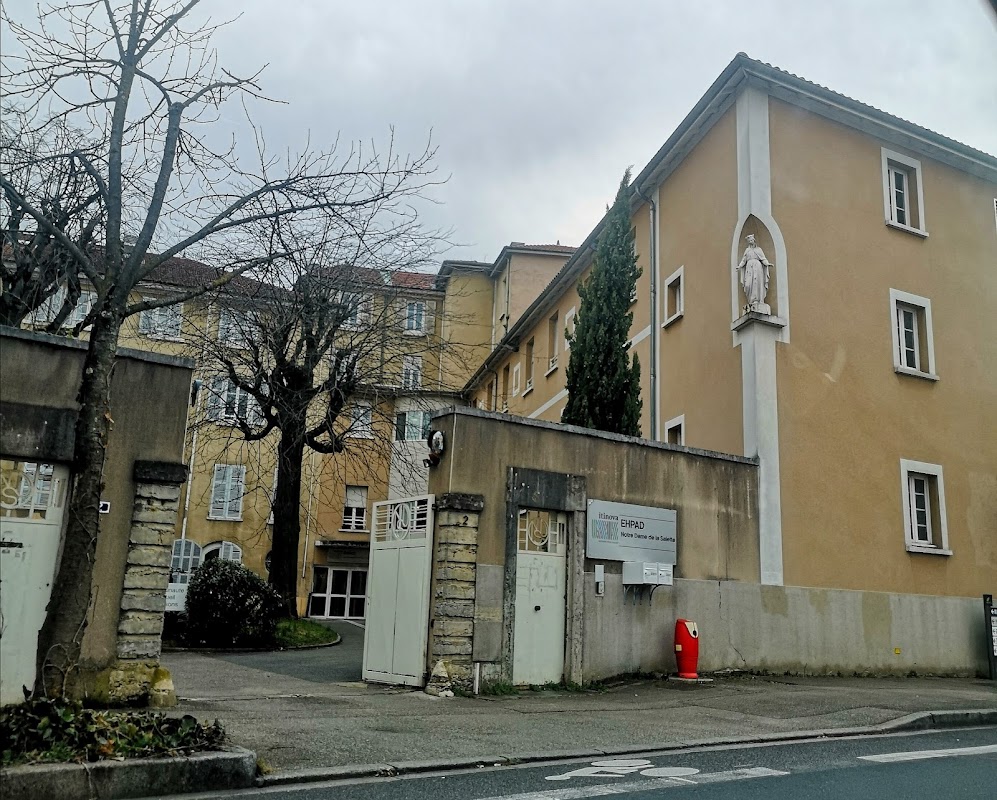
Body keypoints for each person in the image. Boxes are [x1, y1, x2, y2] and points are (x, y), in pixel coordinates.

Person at [736, 233, 771, 312]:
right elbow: (743, 260)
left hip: (758, 267)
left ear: (754, 240)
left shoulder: (759, 250)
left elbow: (763, 259)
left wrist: (767, 263)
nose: (751, 241)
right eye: (749, 240)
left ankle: (758, 299)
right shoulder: (747, 250)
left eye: (752, 240)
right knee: (748, 284)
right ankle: (751, 300)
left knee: (757, 283)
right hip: (749, 267)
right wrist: (739, 266)